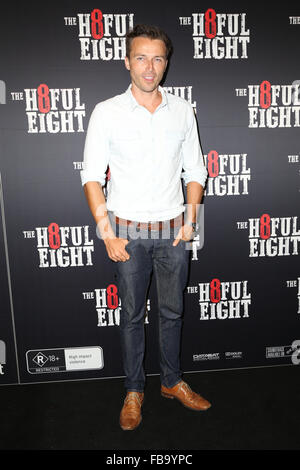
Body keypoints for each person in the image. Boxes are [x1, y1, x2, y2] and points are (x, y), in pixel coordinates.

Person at [81, 24, 211, 431]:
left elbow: (196, 169)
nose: (149, 66)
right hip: (128, 233)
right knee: (132, 316)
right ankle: (134, 390)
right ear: (127, 62)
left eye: (157, 58)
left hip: (173, 231)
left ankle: (172, 382)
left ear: (166, 63)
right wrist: (106, 231)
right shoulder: (107, 111)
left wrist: (192, 219)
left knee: (172, 313)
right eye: (141, 57)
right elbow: (90, 175)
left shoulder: (182, 110)